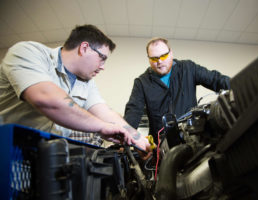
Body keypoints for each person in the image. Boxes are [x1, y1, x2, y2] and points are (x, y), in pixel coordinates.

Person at [0, 24, 149, 151]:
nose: (103, 67)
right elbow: (47, 100)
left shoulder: (86, 82)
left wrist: (139, 139)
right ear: (84, 48)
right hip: (7, 151)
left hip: (42, 157)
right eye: (102, 59)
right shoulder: (28, 53)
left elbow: (104, 112)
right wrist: (101, 127)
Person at [124, 37, 230, 143]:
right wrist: (124, 138)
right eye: (154, 58)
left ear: (171, 53)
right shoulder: (142, 82)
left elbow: (216, 79)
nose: (159, 61)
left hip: (191, 139)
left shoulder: (188, 69)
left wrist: (239, 87)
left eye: (163, 56)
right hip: (161, 147)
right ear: (149, 59)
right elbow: (133, 112)